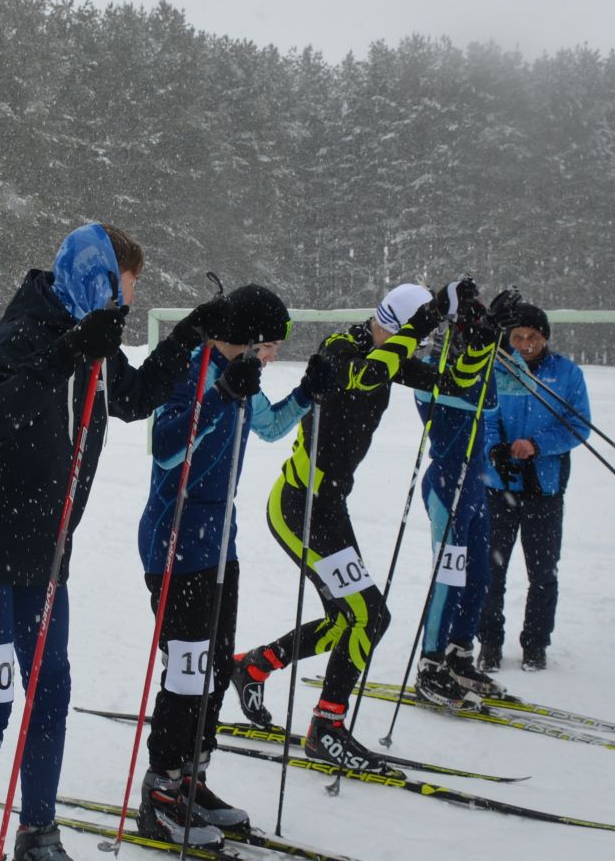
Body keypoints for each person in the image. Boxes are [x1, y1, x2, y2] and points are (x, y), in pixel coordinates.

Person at [0, 222, 223, 861]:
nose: (128, 299)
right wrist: (69, 352)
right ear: (97, 274)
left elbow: (128, 398)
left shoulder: (93, 330)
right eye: (127, 285)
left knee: (52, 690)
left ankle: (38, 837)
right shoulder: (32, 323)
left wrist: (188, 337)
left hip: (44, 553)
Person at [230, 282, 474, 762]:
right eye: (413, 335)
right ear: (396, 326)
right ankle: (327, 725)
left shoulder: (391, 357)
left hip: (328, 509)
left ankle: (255, 666)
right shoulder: (341, 349)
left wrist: (481, 334)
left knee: (351, 619)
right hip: (298, 507)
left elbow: (457, 383)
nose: (416, 348)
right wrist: (424, 320)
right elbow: (364, 376)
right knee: (367, 616)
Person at [136, 284, 310, 846]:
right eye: (270, 346)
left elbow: (267, 425)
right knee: (187, 673)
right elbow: (164, 445)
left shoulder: (243, 375)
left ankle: (192, 777)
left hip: (218, 544)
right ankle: (161, 790)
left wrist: (311, 392)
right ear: (249, 340)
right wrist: (218, 396)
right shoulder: (192, 369)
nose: (272, 357)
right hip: (175, 543)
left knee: (212, 671)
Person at [478, 301, 591, 672]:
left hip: (545, 487)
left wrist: (537, 445)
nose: (525, 344)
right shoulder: (498, 366)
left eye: (533, 337)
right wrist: (496, 445)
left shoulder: (566, 374)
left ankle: (536, 644)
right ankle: (489, 642)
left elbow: (578, 425)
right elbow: (487, 413)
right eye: (518, 337)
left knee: (542, 572)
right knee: (491, 570)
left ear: (545, 338)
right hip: (499, 484)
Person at [410, 284, 504, 705]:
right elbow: (458, 397)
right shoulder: (427, 364)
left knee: (480, 575)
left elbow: (489, 403)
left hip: (475, 486)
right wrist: (473, 348)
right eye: (463, 326)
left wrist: (487, 337)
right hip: (447, 483)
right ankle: (429, 663)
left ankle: (458, 653)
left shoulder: (476, 363)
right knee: (448, 577)